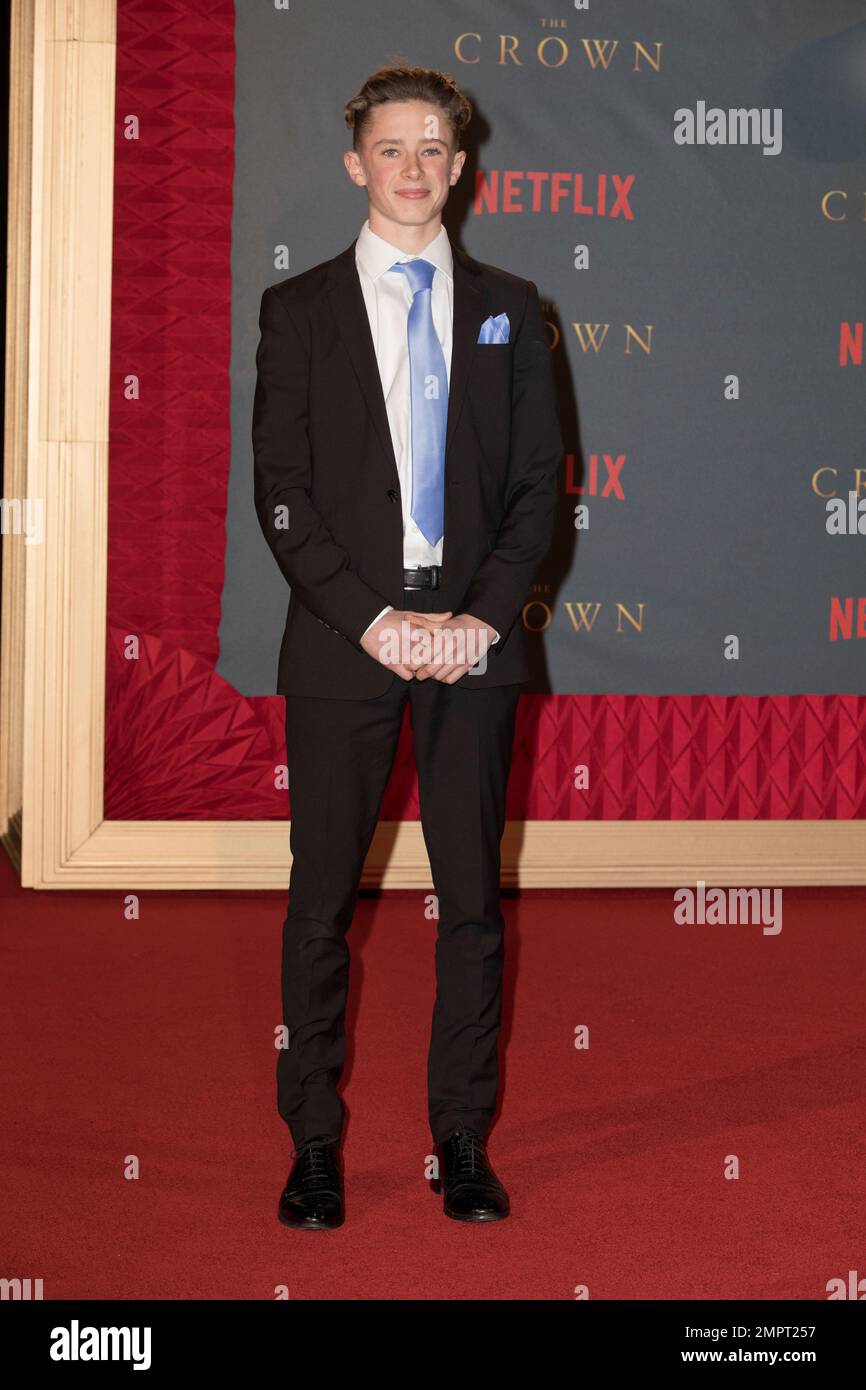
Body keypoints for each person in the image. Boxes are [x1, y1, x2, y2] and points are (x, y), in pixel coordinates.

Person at [252, 64, 563, 1228]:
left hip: (474, 645)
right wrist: (378, 620)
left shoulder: (511, 305)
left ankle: (459, 1142)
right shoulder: (298, 312)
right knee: (319, 900)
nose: (416, 167)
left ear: (461, 165)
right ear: (355, 164)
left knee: (472, 905)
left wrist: (477, 621)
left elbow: (537, 491)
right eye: (393, 148)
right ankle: (314, 1143)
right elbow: (281, 495)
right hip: (345, 642)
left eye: (435, 146)